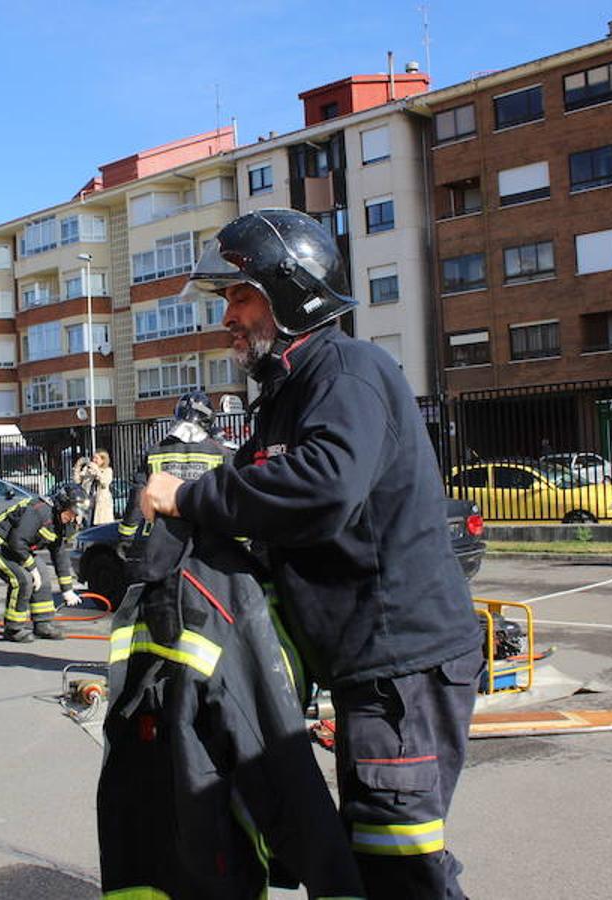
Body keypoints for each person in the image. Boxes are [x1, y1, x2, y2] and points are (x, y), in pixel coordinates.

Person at [138, 209, 483, 900]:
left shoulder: (348, 372)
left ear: (290, 295)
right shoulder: (287, 394)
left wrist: (191, 498)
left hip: (402, 670)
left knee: (400, 864)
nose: (227, 317)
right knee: (376, 855)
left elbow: (325, 488)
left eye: (241, 297)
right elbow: (270, 508)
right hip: (371, 670)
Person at [117, 390, 233, 579]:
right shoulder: (221, 454)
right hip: (207, 543)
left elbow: (138, 498)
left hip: (159, 541)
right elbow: (231, 501)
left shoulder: (154, 451)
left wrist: (126, 538)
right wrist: (242, 541)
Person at [0, 481, 87, 642]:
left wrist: (67, 590)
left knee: (43, 576)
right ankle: (13, 628)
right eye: (72, 513)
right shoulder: (38, 511)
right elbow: (17, 541)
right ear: (61, 506)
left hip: (16, 548)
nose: (74, 518)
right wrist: (31, 568)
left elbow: (59, 554)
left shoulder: (60, 522)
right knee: (22, 580)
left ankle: (43, 624)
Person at [75, 451, 115, 525]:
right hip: (88, 502)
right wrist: (78, 468)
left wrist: (96, 470)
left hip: (101, 504)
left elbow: (104, 483)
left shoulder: (107, 471)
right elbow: (77, 481)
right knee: (87, 525)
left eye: (97, 458)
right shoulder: (88, 471)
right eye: (93, 458)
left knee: (100, 526)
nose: (94, 460)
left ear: (103, 460)